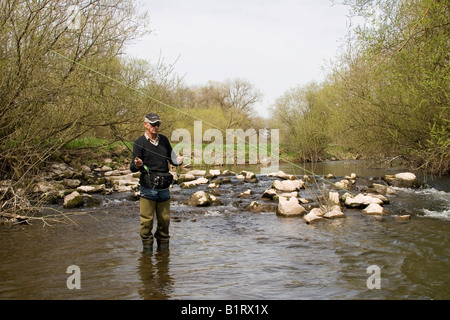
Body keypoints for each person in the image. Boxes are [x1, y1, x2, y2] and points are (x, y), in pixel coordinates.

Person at [130, 113, 183, 254]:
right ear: (145, 124)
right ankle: (147, 254)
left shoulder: (164, 140)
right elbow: (132, 167)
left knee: (164, 222)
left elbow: (172, 160)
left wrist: (179, 160)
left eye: (158, 124)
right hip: (148, 188)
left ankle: (163, 255)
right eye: (153, 124)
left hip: (164, 188)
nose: (156, 126)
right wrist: (137, 164)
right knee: (147, 222)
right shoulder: (139, 143)